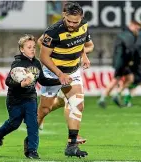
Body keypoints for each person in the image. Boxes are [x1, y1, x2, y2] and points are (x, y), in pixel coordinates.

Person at [37, 2, 94, 158]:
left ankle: (72, 145)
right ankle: (32, 136)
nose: (72, 25)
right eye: (69, 21)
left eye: (75, 22)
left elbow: (85, 44)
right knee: (44, 109)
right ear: (64, 15)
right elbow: (43, 56)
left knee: (78, 104)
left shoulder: (83, 26)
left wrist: (83, 56)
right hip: (52, 72)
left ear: (81, 18)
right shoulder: (54, 31)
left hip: (73, 71)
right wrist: (60, 74)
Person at [0, 34, 62, 159]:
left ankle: (32, 151)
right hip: (15, 99)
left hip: (30, 98)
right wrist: (21, 84)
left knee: (33, 124)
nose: (32, 49)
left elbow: (43, 81)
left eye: (34, 47)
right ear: (22, 49)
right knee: (14, 123)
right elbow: (8, 81)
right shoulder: (17, 63)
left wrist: (60, 81)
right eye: (29, 47)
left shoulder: (36, 63)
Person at [98, 20, 140, 108]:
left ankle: (115, 94)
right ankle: (104, 98)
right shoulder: (129, 36)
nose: (137, 29)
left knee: (130, 78)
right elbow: (130, 48)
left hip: (120, 61)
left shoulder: (123, 34)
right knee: (115, 81)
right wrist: (131, 60)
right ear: (132, 25)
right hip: (123, 62)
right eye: (136, 27)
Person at [123, 20, 141, 106]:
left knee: (137, 81)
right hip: (138, 62)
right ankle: (123, 93)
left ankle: (126, 99)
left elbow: (140, 47)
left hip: (137, 61)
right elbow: (137, 46)